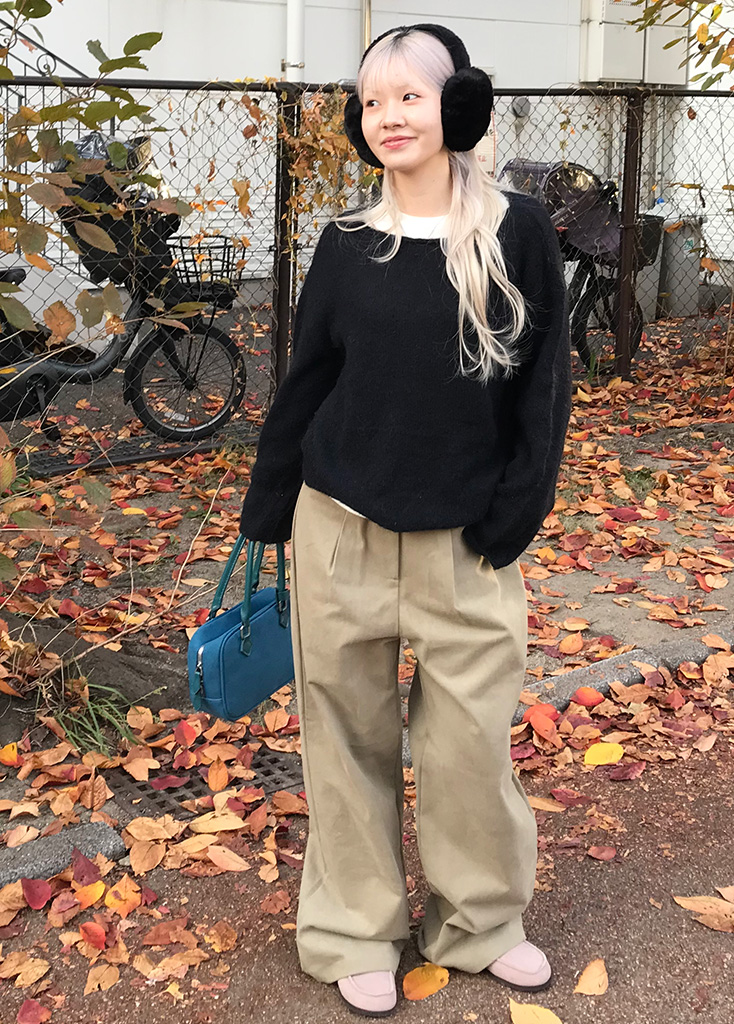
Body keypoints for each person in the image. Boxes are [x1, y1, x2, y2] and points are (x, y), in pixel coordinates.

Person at [239, 23, 573, 1018]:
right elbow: (310, 375)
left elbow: (544, 385)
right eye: (372, 100)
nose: (388, 116)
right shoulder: (348, 242)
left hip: (466, 542)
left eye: (409, 96)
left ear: (456, 105)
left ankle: (482, 923)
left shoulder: (517, 232)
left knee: (468, 744)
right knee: (344, 741)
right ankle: (356, 928)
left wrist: (517, 509)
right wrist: (270, 502)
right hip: (339, 528)